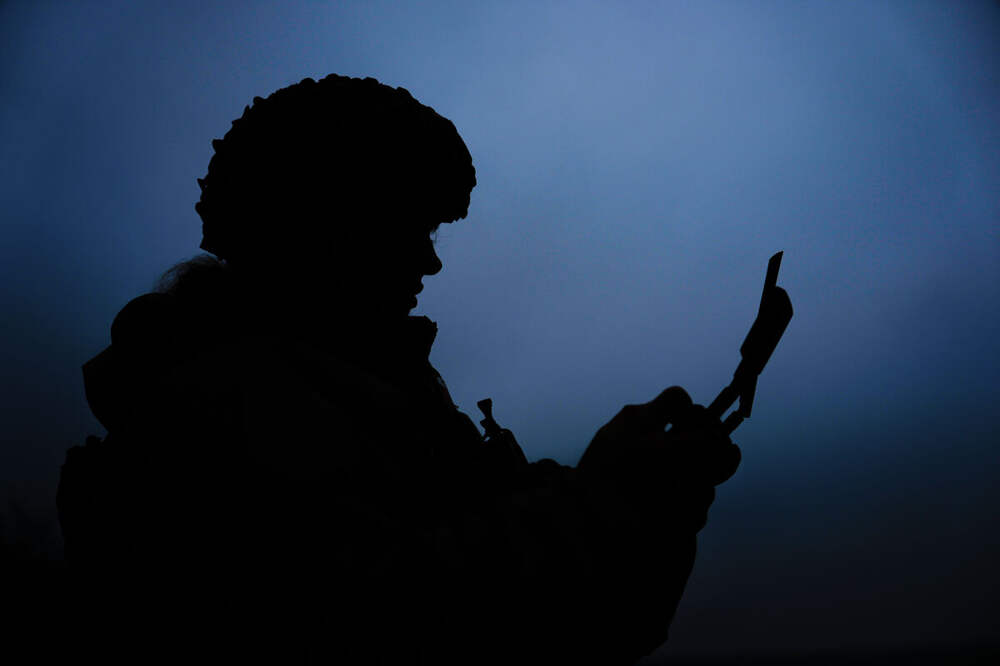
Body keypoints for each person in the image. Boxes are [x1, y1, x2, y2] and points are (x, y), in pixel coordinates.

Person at [58, 74, 740, 665]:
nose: (431, 262)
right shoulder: (222, 411)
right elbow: (404, 619)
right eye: (413, 228)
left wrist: (637, 495)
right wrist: (613, 504)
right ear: (328, 227)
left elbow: (584, 622)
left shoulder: (366, 397)